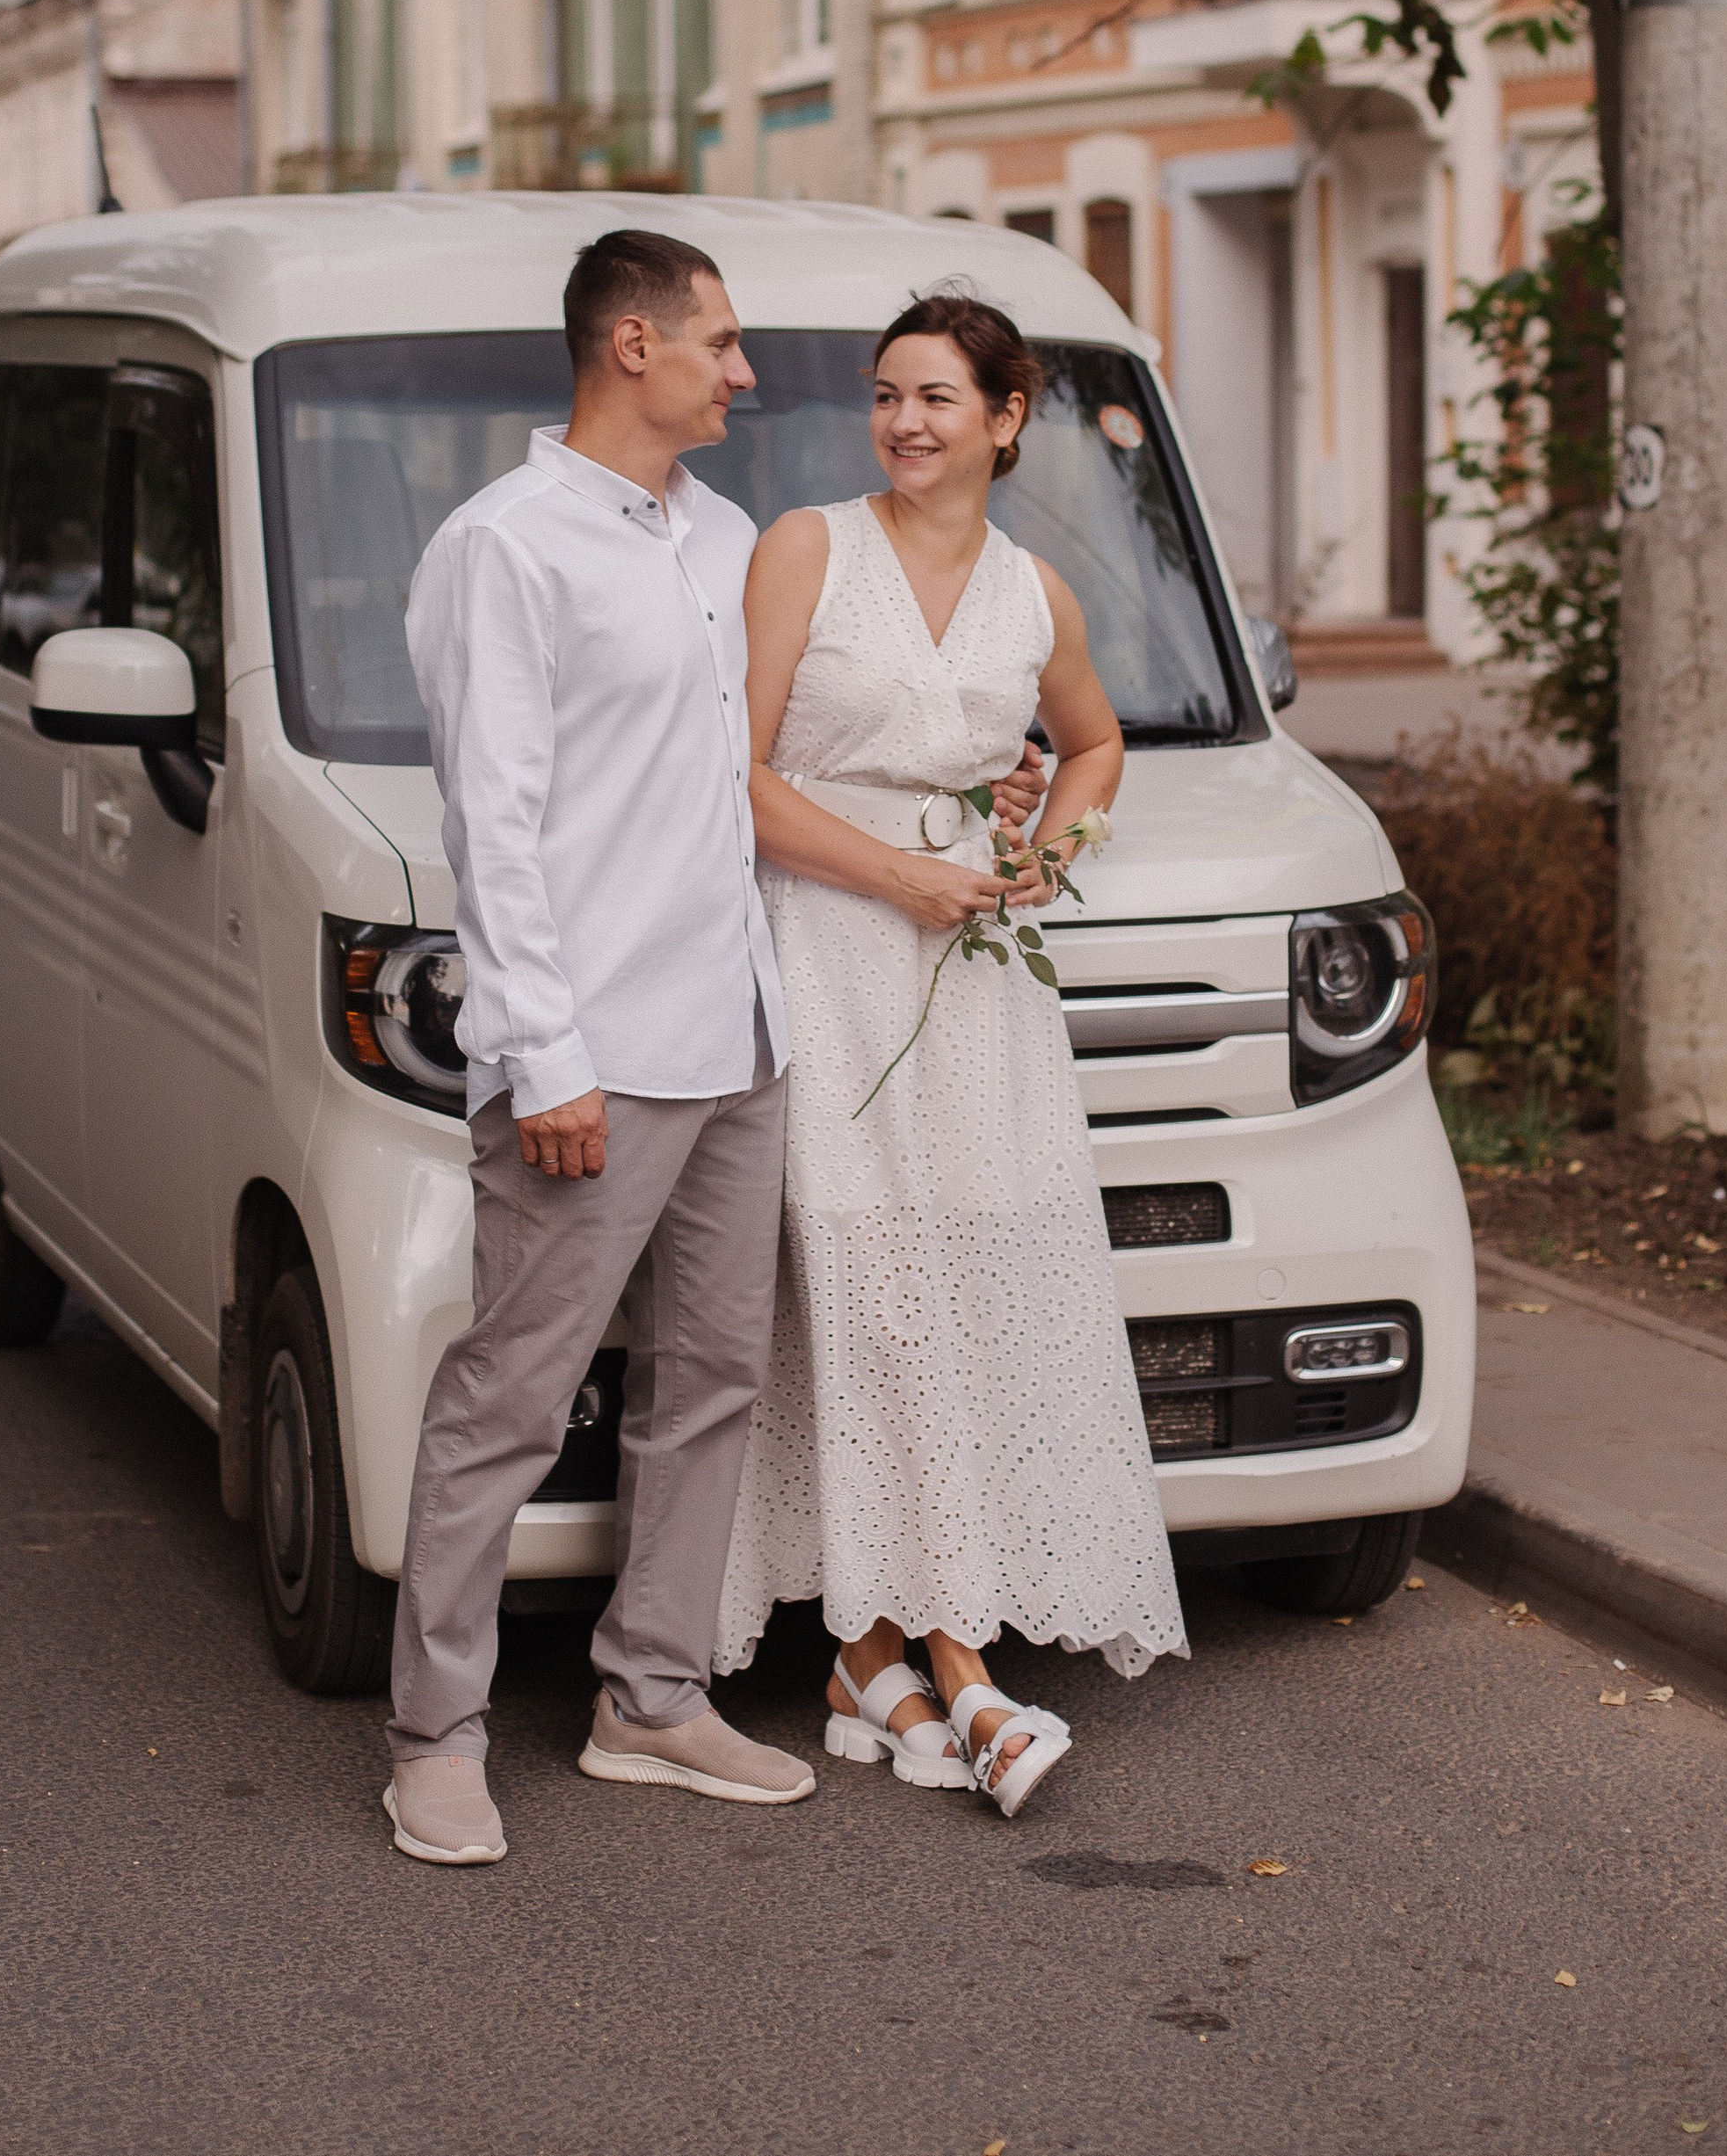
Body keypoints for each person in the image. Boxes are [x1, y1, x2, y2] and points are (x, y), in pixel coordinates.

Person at [715, 292, 1187, 1816]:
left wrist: (1050, 851)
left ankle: (870, 1662)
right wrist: (897, 874)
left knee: (972, 1288)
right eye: (886, 394)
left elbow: (1096, 743)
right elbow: (736, 774)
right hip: (829, 950)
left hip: (974, 983)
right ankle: (961, 1670)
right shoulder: (806, 547)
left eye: (935, 396)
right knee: (867, 1289)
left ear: (1005, 416)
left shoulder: (1037, 591)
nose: (904, 422)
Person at [383, 226, 814, 1865]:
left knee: (711, 1379)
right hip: (595, 1052)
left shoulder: (726, 536)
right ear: (634, 344)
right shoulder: (503, 546)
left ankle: (650, 1694)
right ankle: (434, 1735)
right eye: (723, 340)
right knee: (512, 1392)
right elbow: (490, 823)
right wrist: (543, 1051)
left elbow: (746, 778)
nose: (745, 371)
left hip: (737, 1032)